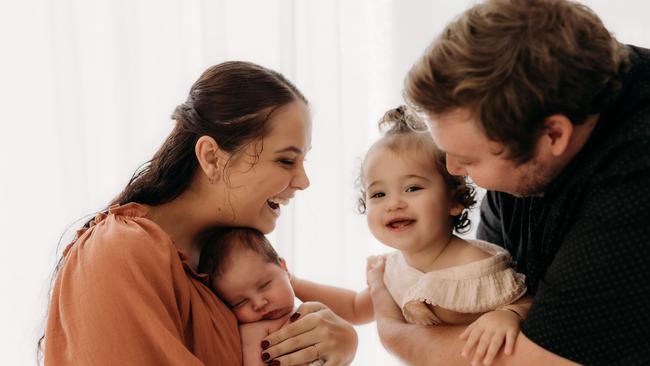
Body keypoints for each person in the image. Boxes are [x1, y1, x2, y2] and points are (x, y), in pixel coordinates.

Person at [367, 0, 650, 365]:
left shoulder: (636, 178)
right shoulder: (528, 137)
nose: (453, 170)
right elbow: (487, 303)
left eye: (469, 160)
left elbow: (531, 361)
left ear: (553, 135)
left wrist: (391, 329)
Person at [42, 61, 357, 365]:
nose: (303, 181)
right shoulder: (120, 252)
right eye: (286, 161)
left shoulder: (224, 260)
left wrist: (338, 344)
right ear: (212, 157)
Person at [292, 106, 532, 365]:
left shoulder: (475, 264)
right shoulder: (393, 269)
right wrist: (293, 282)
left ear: (455, 200)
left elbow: (528, 301)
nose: (393, 203)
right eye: (378, 194)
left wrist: (509, 314)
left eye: (412, 188)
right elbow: (353, 307)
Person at [199, 227, 323, 366]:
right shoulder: (253, 331)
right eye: (239, 302)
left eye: (264, 285)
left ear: (284, 268)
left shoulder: (308, 310)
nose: (259, 304)